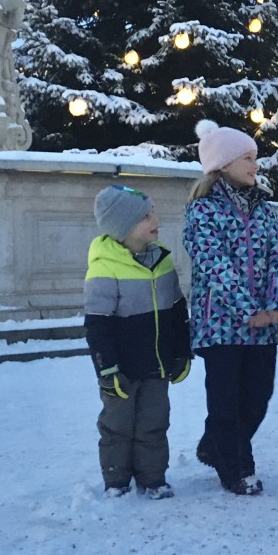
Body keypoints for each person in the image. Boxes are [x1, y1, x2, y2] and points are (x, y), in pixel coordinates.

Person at [183, 119, 278, 496]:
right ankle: (238, 469)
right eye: (247, 158)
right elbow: (214, 266)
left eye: (254, 158)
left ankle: (216, 446)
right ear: (223, 164)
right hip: (221, 327)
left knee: (257, 398)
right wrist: (247, 310)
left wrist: (275, 305)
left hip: (264, 326)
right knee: (226, 402)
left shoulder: (262, 210)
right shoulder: (202, 212)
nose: (254, 165)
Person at [84, 184, 191, 499]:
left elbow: (177, 311)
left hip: (157, 365)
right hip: (122, 368)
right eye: (145, 216)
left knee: (154, 423)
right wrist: (107, 369)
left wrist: (182, 352)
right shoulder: (105, 267)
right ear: (122, 228)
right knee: (117, 425)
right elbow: (97, 325)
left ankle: (153, 477)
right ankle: (116, 481)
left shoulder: (163, 262)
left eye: (153, 211)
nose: (154, 219)